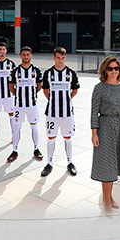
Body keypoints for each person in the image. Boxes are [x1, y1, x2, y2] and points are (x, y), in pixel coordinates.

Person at [90, 55, 120, 214]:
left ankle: (108, 197)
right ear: (105, 70)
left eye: (117, 68)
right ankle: (107, 202)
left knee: (116, 164)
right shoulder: (100, 88)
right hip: (105, 127)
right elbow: (93, 111)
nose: (114, 71)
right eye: (110, 68)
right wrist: (94, 133)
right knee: (107, 166)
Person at [41, 46, 79, 177]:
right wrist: (53, 101)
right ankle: (49, 163)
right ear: (54, 58)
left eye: (62, 58)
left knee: (67, 138)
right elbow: (45, 90)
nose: (60, 60)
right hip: (52, 113)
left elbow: (75, 90)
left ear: (65, 58)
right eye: (58, 58)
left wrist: (66, 100)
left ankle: (70, 163)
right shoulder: (48, 73)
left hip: (67, 113)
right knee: (51, 137)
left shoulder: (71, 73)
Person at [8, 45, 43, 163]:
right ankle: (14, 150)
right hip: (18, 104)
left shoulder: (36, 70)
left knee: (34, 126)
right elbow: (11, 86)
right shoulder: (15, 71)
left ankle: (36, 149)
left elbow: (39, 85)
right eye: (24, 55)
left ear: (31, 56)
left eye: (28, 55)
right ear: (20, 56)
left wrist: (31, 94)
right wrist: (18, 95)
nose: (26, 57)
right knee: (17, 127)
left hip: (32, 104)